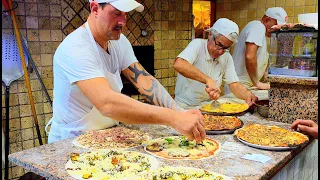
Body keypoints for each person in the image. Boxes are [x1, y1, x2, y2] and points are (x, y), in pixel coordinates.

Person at [45, 0, 205, 144]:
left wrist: (179, 112)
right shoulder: (76, 47)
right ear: (95, 8)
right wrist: (172, 118)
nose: (122, 22)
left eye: (124, 14)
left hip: (108, 136)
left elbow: (144, 80)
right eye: (116, 13)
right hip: (70, 142)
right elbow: (107, 103)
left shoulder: (119, 41)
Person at [173, 18, 258, 108]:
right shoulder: (198, 45)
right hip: (184, 107)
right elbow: (179, 64)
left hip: (208, 106)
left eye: (226, 48)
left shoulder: (226, 57)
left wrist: (248, 95)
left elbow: (234, 84)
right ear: (210, 35)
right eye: (219, 45)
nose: (221, 51)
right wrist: (208, 80)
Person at [229, 7, 288, 92]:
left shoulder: (260, 31)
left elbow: (257, 58)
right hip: (240, 85)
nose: (276, 29)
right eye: (276, 25)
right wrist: (257, 83)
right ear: (267, 20)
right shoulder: (258, 27)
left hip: (245, 85)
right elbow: (249, 56)